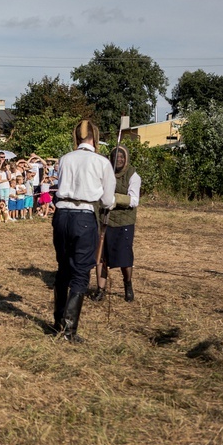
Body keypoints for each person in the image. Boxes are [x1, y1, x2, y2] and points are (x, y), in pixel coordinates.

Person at [52, 120, 115, 342]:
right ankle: (68, 331)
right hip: (84, 216)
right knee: (80, 272)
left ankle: (58, 322)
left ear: (77, 137)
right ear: (94, 138)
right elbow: (107, 200)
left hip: (61, 215)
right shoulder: (101, 162)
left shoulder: (65, 158)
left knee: (63, 268)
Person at [92, 145, 141, 303]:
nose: (118, 159)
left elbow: (134, 200)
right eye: (115, 157)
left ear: (126, 159)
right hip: (104, 219)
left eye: (121, 157)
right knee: (101, 256)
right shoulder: (105, 174)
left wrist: (115, 199)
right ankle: (100, 289)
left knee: (124, 257)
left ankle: (127, 284)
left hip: (123, 221)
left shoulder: (133, 176)